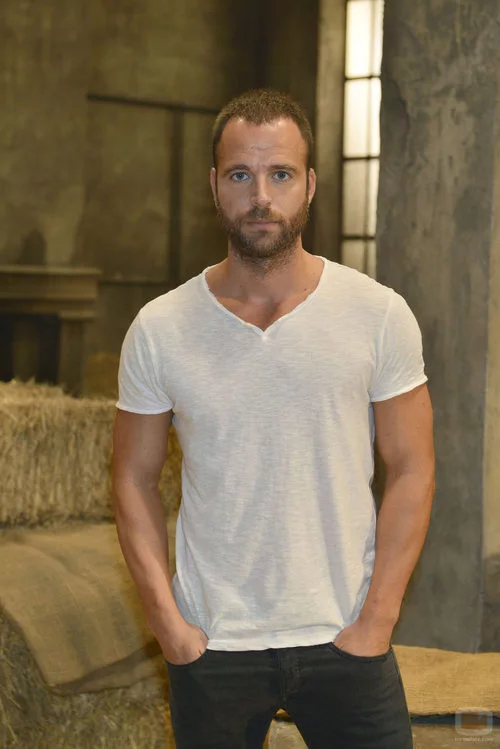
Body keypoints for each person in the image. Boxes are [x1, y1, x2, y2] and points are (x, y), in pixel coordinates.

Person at [112, 88, 435, 749]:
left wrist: (377, 619)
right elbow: (131, 480)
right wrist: (170, 626)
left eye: (280, 173)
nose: (261, 196)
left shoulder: (377, 314)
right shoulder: (160, 328)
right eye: (241, 175)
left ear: (310, 184)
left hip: (346, 635)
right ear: (214, 185)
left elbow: (412, 468)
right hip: (213, 644)